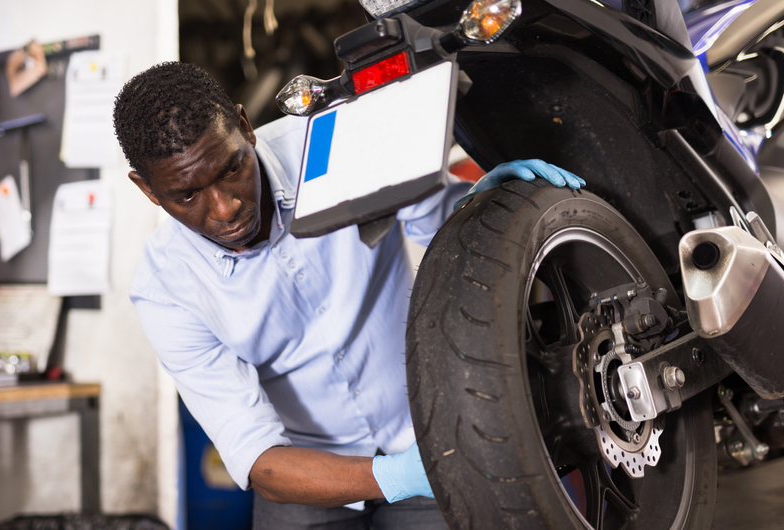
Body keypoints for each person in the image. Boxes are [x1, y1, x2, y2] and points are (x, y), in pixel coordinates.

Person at [114, 61, 584, 529]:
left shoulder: (335, 146)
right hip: (306, 475)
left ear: (244, 127)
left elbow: (445, 225)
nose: (226, 207)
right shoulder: (166, 290)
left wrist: (490, 206)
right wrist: (395, 478)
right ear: (148, 190)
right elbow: (257, 457)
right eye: (187, 196)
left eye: (231, 168)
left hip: (428, 435)